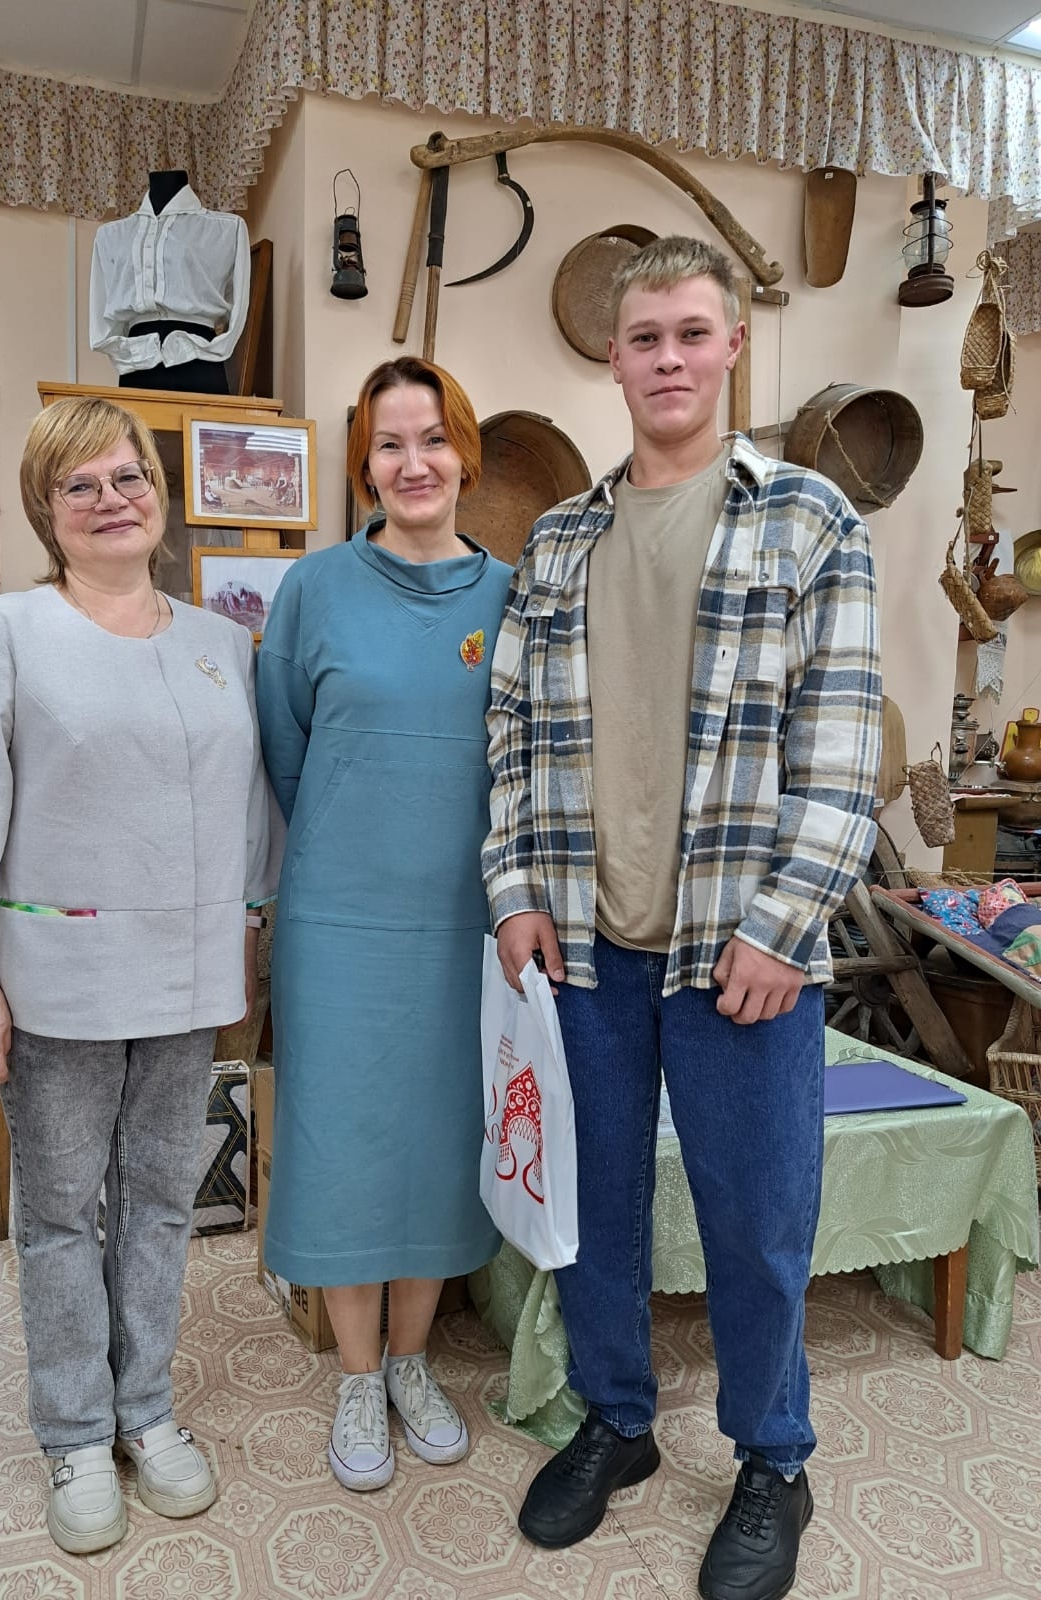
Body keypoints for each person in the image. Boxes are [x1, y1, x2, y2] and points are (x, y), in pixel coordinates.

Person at [482, 236, 881, 1600]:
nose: (668, 358)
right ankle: (618, 1419)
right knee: (594, 1204)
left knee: (755, 1221)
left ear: (730, 348)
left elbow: (842, 755)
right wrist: (515, 892)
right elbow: (510, 737)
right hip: (585, 946)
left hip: (741, 951)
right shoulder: (557, 541)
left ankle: (774, 1456)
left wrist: (784, 923)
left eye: (691, 334)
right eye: (645, 336)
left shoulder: (811, 523)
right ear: (615, 356)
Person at [0, 395, 282, 1556]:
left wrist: (252, 943)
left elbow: (249, 812)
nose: (112, 499)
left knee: (164, 1200)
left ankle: (146, 1407)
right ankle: (74, 1430)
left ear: (159, 495)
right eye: (83, 484)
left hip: (186, 976)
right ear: (47, 509)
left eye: (130, 477)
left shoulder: (221, 645)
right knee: (62, 1210)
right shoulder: (2, 634)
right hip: (55, 977)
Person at [255, 357, 509, 1493]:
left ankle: (413, 1360)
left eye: (433, 439)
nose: (414, 463)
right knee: (345, 1138)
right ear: (364, 464)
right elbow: (285, 751)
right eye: (389, 444)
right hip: (340, 918)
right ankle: (358, 1374)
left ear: (466, 454)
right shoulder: (313, 589)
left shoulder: (513, 598)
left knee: (441, 1135)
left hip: (468, 922)